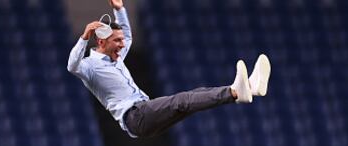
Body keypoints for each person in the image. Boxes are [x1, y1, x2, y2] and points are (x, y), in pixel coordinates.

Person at [67, 0, 271, 138]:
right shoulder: (90, 66)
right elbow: (71, 65)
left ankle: (249, 89)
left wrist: (119, 9)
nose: (122, 44)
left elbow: (127, 35)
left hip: (143, 114)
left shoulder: (116, 57)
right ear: (101, 41)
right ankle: (235, 92)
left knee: (193, 97)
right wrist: (85, 36)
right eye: (116, 40)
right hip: (135, 116)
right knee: (181, 101)